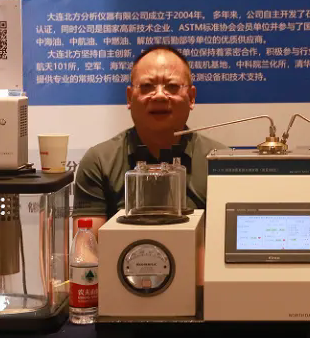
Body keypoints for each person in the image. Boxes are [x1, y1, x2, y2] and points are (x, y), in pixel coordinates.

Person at [72, 45, 224, 231]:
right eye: (146, 87)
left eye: (172, 86)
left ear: (191, 97)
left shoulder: (219, 162)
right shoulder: (99, 162)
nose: (159, 96)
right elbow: (87, 242)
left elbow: (230, 240)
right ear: (129, 98)